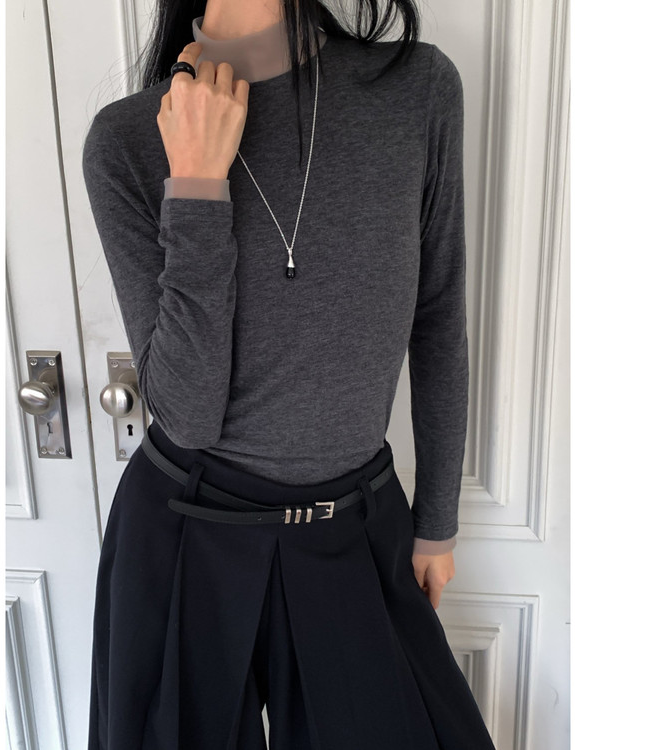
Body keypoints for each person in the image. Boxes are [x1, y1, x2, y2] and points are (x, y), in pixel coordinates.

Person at [82, 1, 496, 748]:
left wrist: (436, 523)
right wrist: (197, 187)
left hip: (355, 526)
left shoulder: (416, 90)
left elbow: (437, 318)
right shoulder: (128, 139)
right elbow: (188, 415)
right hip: (186, 536)